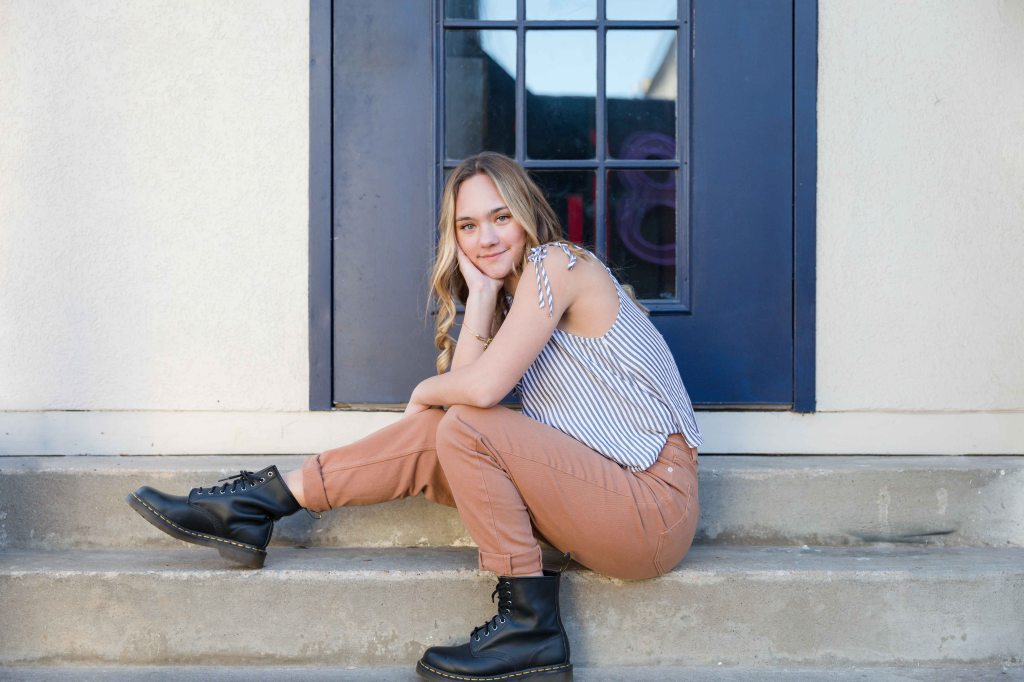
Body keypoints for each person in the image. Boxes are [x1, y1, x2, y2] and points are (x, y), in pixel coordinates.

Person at [126, 151, 703, 681]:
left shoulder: (560, 263)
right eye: (468, 226)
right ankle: (259, 506)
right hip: (598, 500)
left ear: (528, 215)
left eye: (501, 217)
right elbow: (459, 412)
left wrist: (426, 388)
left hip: (650, 507)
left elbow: (479, 391)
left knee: (463, 422)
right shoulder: (512, 299)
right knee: (451, 428)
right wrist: (479, 298)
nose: (486, 237)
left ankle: (532, 627)